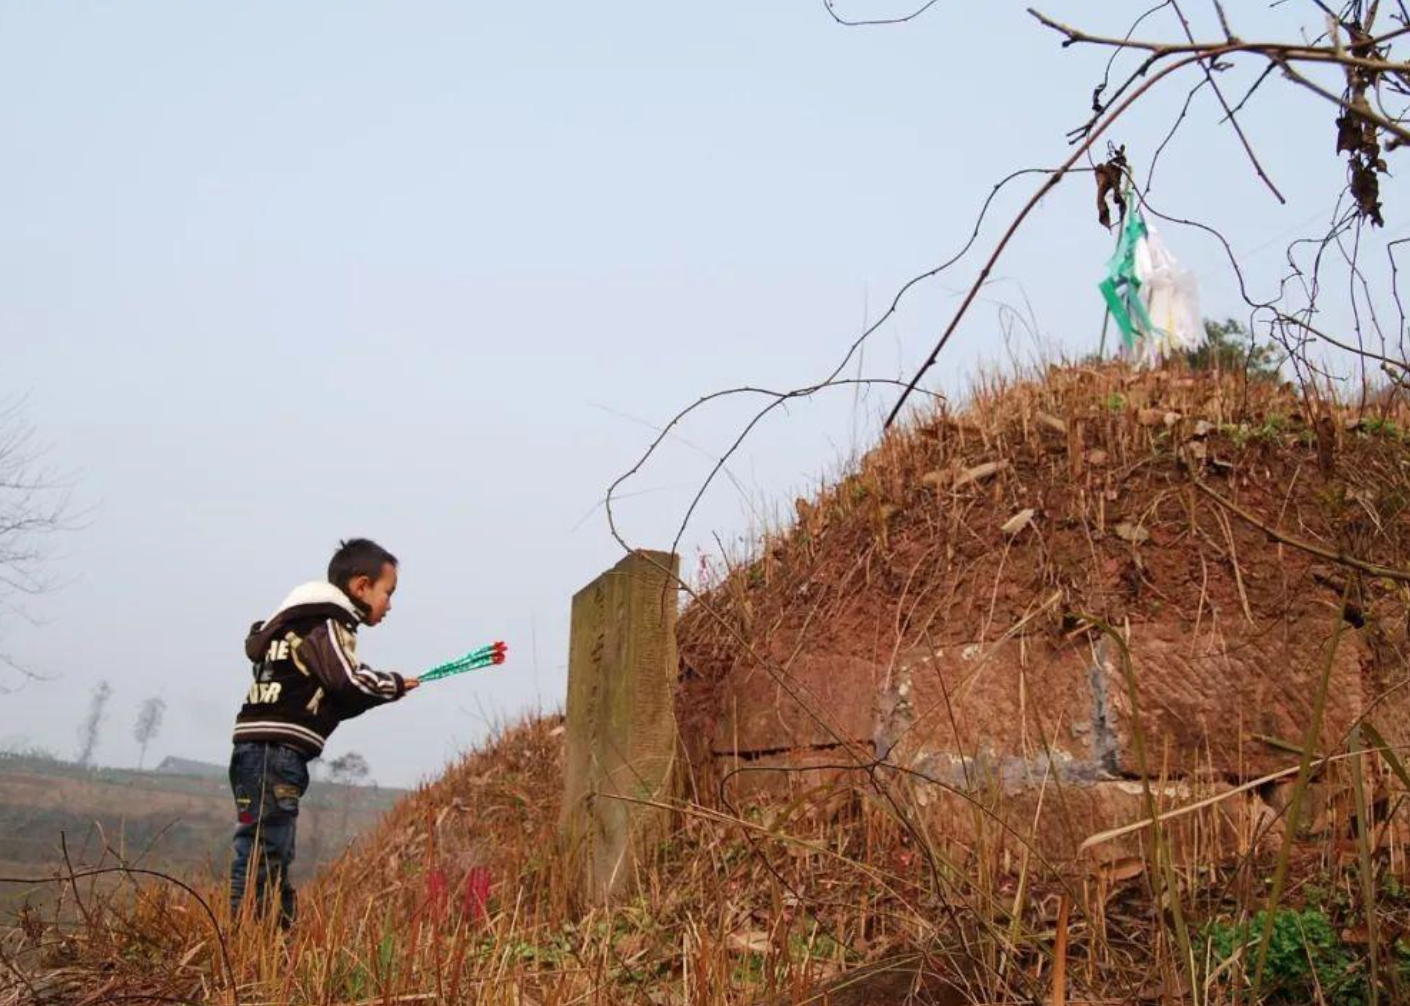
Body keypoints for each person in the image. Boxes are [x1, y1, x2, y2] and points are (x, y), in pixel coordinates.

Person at [228, 537, 418, 927]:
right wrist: (391, 685)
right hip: (275, 752)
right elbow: (347, 680)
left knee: (263, 845)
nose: (390, 605)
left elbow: (329, 696)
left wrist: (382, 692)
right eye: (388, 592)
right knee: (267, 850)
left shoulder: (289, 625)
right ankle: (254, 937)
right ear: (361, 586)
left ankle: (269, 936)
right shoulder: (326, 621)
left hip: (253, 749)